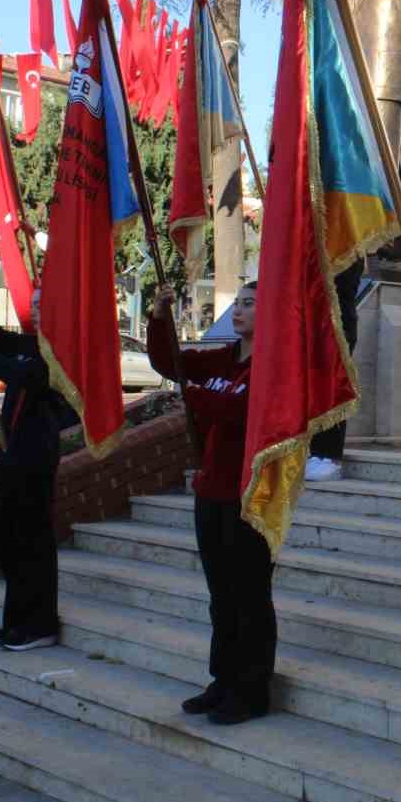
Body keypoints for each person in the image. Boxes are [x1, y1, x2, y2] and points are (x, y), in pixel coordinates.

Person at [148, 281, 271, 725]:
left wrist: (195, 397)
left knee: (248, 593)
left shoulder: (273, 367)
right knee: (221, 595)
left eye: (251, 304)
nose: (239, 310)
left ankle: (253, 688)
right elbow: (171, 363)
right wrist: (160, 316)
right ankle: (224, 679)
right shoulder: (223, 357)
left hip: (251, 494)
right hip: (211, 488)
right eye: (238, 303)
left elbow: (238, 412)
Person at [0, 279, 65, 653]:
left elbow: (29, 378)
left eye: (42, 304)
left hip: (36, 456)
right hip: (12, 454)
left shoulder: (59, 350)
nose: (34, 309)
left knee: (33, 542)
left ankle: (39, 623)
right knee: (9, 541)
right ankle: (15, 622)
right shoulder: (26, 343)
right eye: (33, 304)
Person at [305, 261, 365, 483]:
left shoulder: (343, 237)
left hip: (335, 321)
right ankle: (310, 447)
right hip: (311, 319)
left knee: (331, 385)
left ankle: (328, 454)